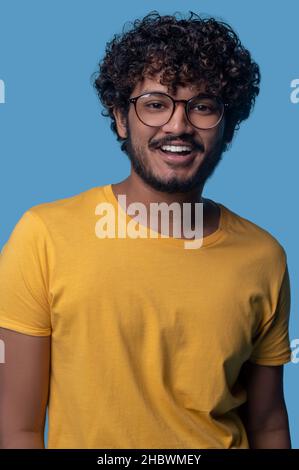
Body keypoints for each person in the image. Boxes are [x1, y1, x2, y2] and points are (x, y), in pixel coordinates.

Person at [0, 11, 292, 449]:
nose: (178, 125)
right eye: (156, 104)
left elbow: (268, 424)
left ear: (226, 128)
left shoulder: (263, 256)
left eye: (203, 106)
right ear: (121, 118)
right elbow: (18, 428)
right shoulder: (43, 236)